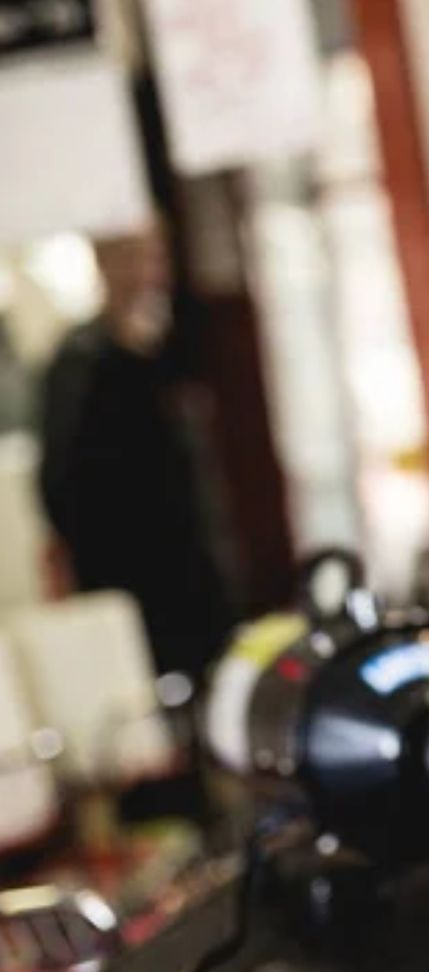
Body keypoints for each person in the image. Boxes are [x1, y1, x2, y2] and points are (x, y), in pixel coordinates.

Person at [37, 224, 235, 677]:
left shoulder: (169, 348)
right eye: (132, 258)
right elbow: (61, 485)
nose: (147, 273)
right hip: (126, 573)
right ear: (103, 264)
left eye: (154, 258)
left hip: (193, 569)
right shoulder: (80, 361)